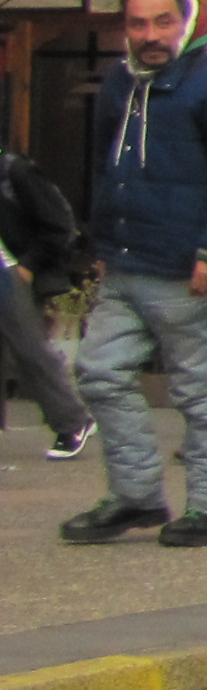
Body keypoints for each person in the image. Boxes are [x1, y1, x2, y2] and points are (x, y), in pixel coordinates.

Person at [63, 0, 207, 547]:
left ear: (183, 22)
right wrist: (104, 248)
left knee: (201, 391)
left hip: (194, 269)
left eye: (162, 23)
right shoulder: (122, 82)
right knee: (100, 372)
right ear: (125, 29)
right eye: (138, 25)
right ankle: (136, 495)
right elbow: (110, 170)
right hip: (130, 261)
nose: (150, 36)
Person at [0, 131, 95, 457]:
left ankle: (72, 421)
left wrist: (28, 266)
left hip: (11, 269)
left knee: (29, 349)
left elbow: (59, 225)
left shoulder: (15, 172)